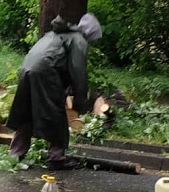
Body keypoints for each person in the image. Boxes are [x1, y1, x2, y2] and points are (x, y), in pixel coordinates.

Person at [7, 13, 103, 171]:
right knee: (55, 113)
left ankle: (15, 153)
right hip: (46, 71)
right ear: (90, 33)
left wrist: (67, 90)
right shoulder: (79, 39)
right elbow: (78, 72)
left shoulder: (55, 34)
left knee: (27, 110)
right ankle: (56, 158)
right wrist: (80, 102)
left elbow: (60, 61)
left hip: (28, 69)